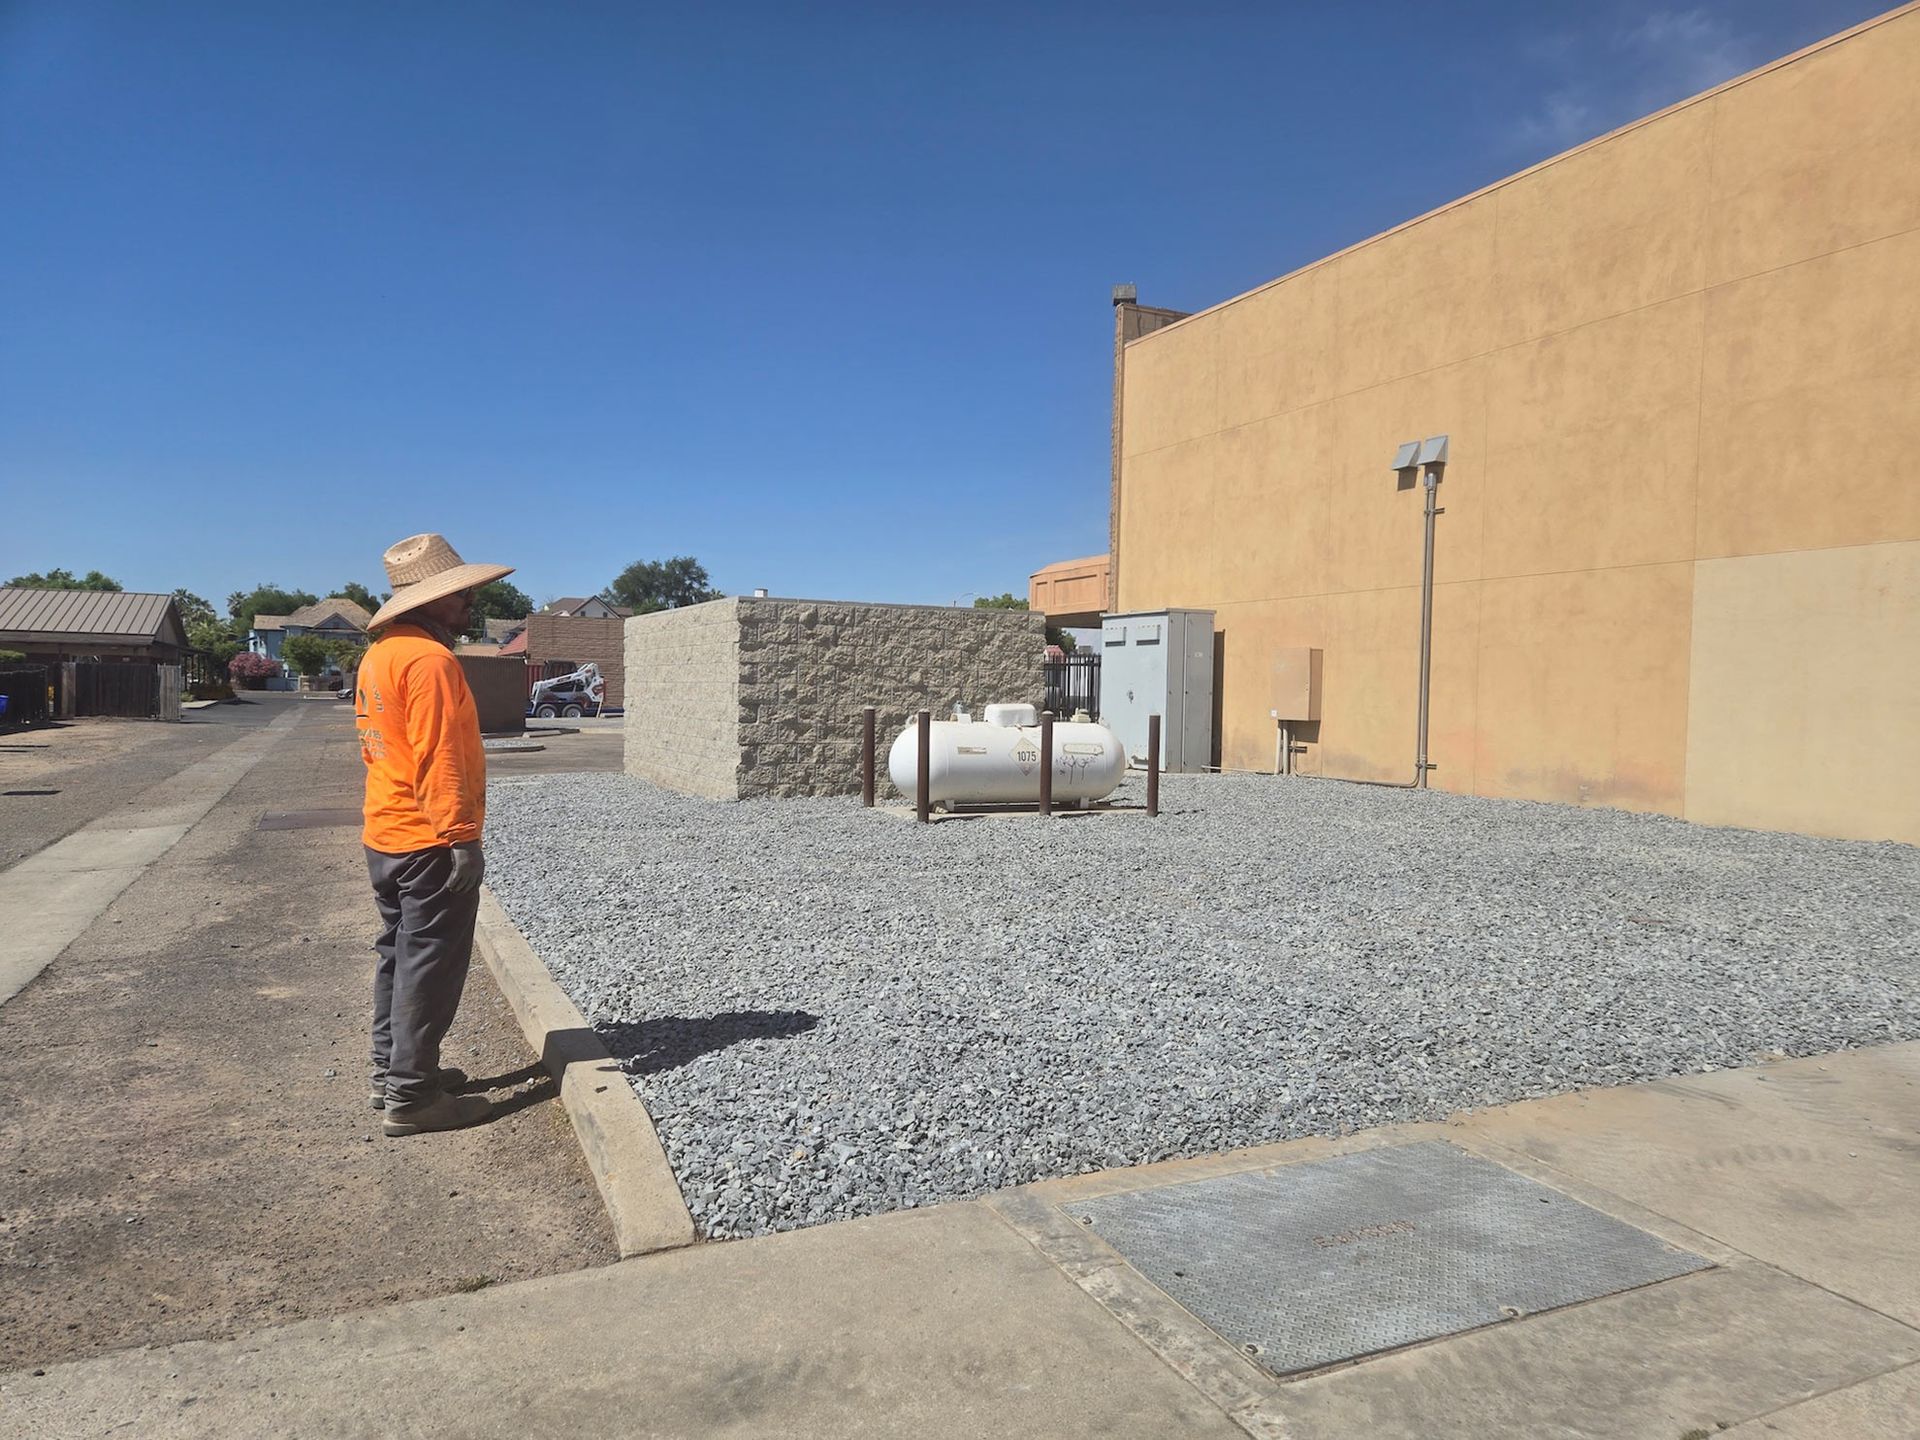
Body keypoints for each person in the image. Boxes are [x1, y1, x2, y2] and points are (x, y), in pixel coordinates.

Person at [355, 532, 513, 1136]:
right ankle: (415, 1096)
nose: (469, 602)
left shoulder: (382, 655)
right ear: (427, 600)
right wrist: (462, 838)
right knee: (432, 964)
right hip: (428, 840)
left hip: (387, 832)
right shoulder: (430, 661)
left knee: (399, 954)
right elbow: (439, 757)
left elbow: (386, 752)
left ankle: (391, 1071)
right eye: (459, 595)